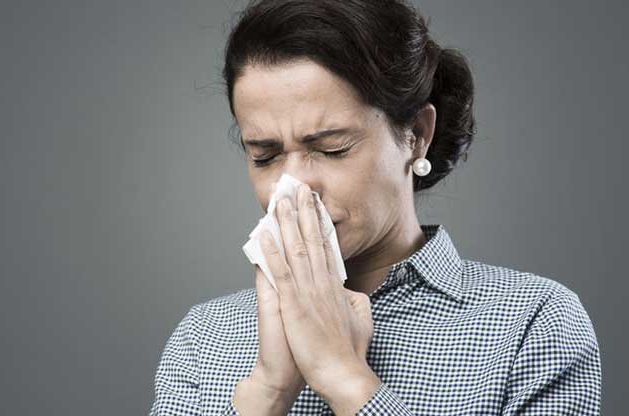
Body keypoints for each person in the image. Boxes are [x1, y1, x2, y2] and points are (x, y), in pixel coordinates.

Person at [149, 0, 602, 414]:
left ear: (416, 135)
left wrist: (344, 376)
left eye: (332, 148)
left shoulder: (533, 323)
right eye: (264, 156)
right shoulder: (205, 339)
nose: (295, 187)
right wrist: (268, 393)